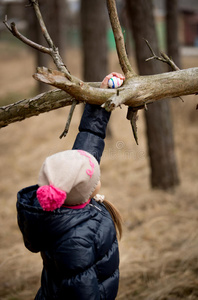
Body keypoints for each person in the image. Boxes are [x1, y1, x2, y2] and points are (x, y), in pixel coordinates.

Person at [17, 72, 125, 300]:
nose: (98, 179)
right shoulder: (74, 240)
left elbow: (89, 140)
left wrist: (101, 97)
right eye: (96, 178)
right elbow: (83, 293)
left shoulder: (64, 198)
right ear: (86, 191)